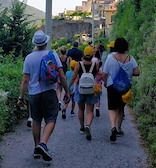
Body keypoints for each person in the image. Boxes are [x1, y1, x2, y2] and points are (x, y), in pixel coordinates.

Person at [17, 30, 70, 161]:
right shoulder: (52, 54)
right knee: (51, 119)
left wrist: (21, 98)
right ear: (46, 42)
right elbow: (62, 75)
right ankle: (43, 143)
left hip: (34, 94)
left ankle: (36, 149)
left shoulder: (29, 58)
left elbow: (25, 81)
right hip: (49, 92)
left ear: (35, 43)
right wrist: (67, 91)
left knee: (36, 120)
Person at [102, 37, 140, 142]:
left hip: (112, 86)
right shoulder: (130, 58)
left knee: (112, 108)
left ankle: (113, 126)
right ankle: (119, 129)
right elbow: (137, 72)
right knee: (121, 108)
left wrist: (105, 83)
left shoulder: (110, 58)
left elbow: (104, 74)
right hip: (125, 88)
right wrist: (128, 73)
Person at [69, 46, 99, 141]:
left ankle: (82, 127)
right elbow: (97, 74)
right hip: (91, 89)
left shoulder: (78, 64)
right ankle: (88, 125)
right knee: (90, 110)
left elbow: (74, 77)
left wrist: (68, 87)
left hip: (80, 88)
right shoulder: (95, 64)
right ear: (92, 54)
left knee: (81, 109)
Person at [92, 50, 102, 117]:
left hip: (92, 86)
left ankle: (91, 110)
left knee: (92, 98)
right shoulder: (100, 71)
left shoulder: (91, 72)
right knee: (98, 98)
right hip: (99, 86)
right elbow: (103, 77)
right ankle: (97, 108)